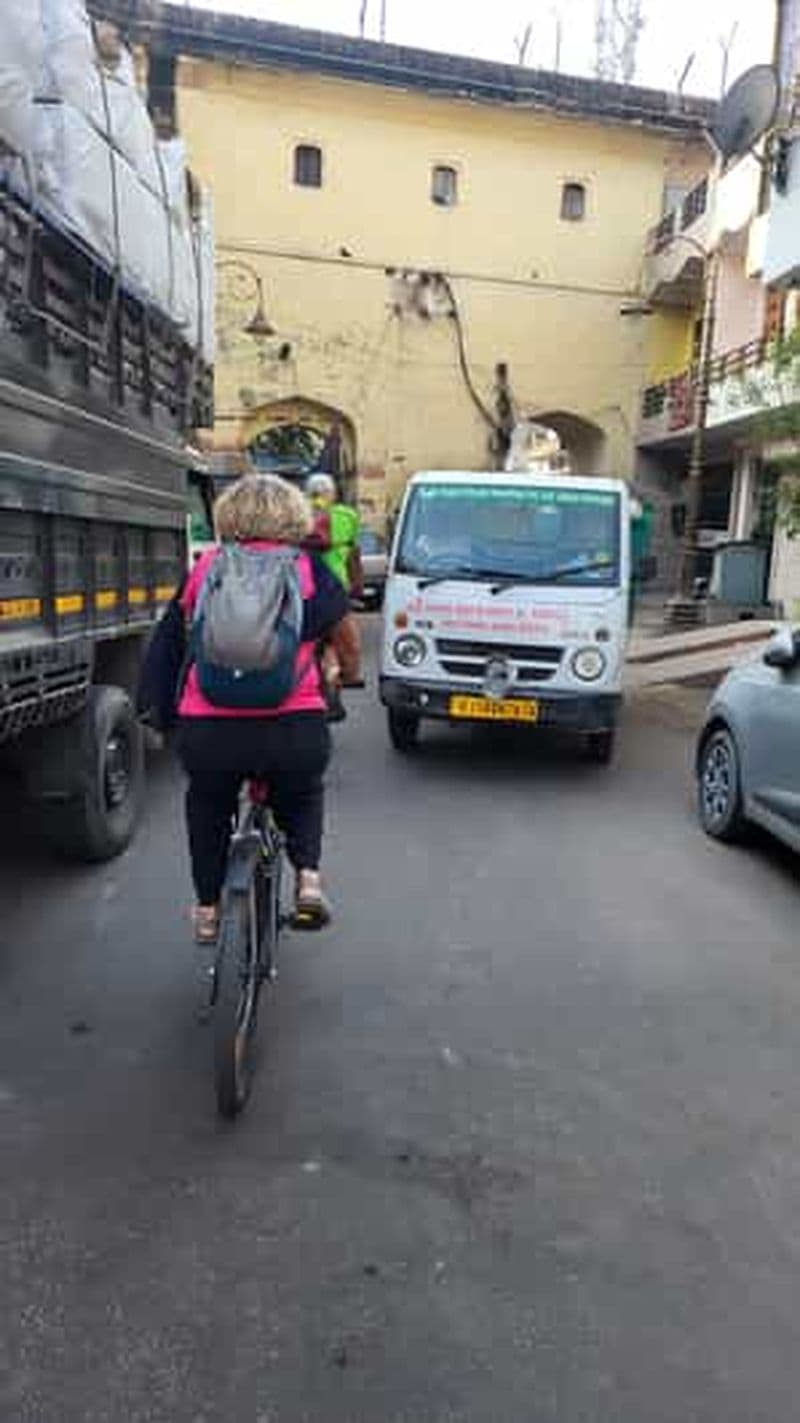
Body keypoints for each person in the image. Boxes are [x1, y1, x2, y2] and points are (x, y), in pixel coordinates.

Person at [175, 474, 358, 942]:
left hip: (210, 728)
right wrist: (350, 674)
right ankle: (309, 882)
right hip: (292, 723)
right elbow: (345, 636)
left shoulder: (208, 566)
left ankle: (208, 910)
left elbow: (181, 637)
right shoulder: (309, 568)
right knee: (302, 792)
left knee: (209, 804)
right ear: (294, 516)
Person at [305, 472, 363, 720]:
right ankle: (345, 677)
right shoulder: (347, 516)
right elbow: (354, 556)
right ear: (333, 494)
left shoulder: (298, 515)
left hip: (306, 587)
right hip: (337, 589)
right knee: (342, 643)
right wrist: (357, 587)